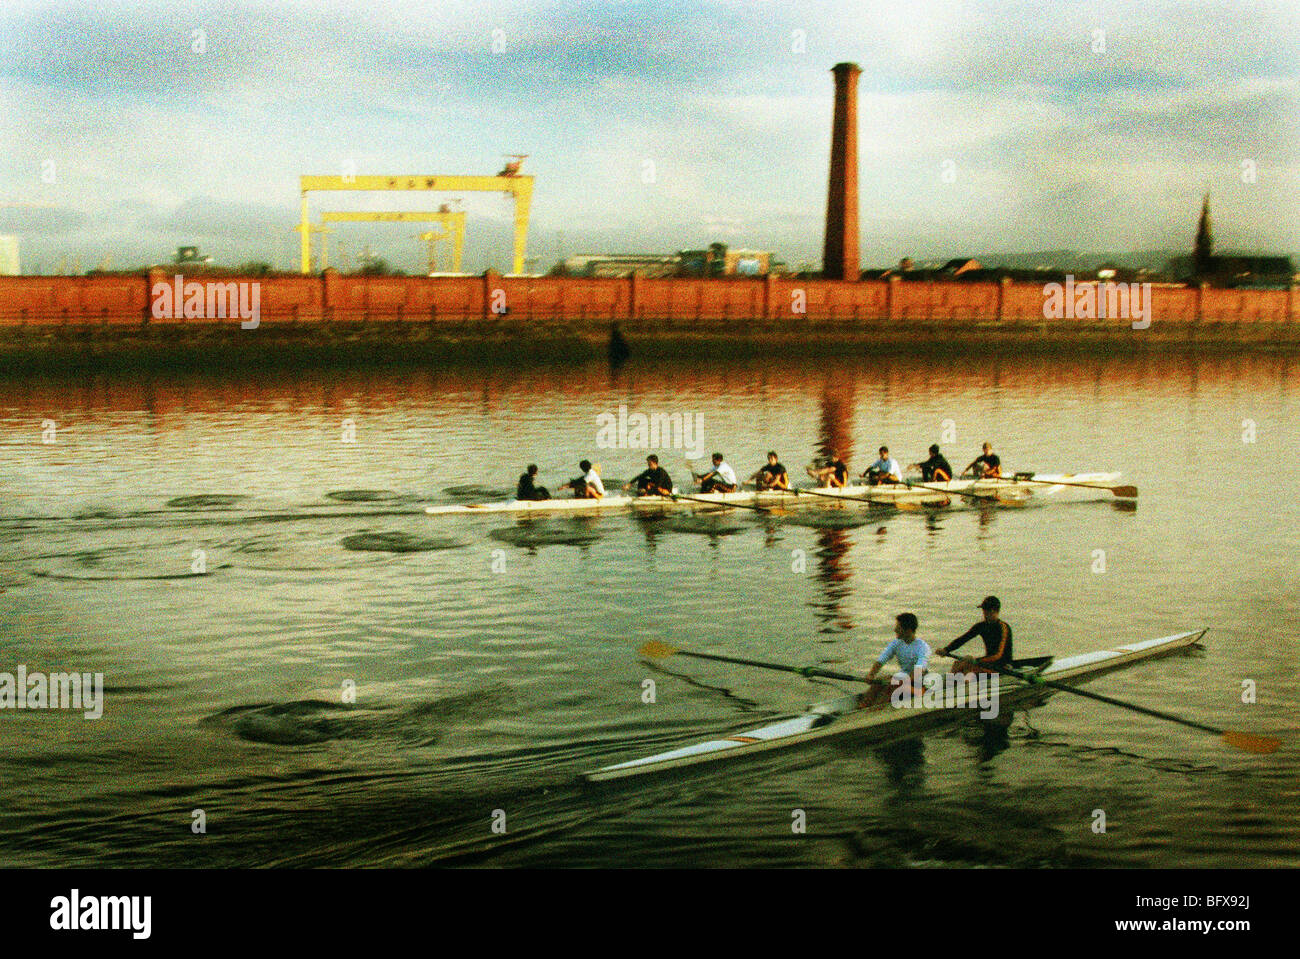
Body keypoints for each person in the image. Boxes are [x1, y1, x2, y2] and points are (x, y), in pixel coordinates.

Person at [859, 612, 930, 707]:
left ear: (908, 630)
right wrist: (871, 674)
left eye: (898, 628)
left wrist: (898, 681)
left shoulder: (923, 647)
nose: (895, 630)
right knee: (879, 682)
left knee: (894, 684)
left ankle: (877, 711)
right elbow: (881, 660)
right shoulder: (896, 643)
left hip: (920, 687)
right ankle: (862, 707)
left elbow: (918, 672)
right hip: (903, 681)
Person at [934, 596, 1013, 673]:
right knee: (957, 664)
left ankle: (958, 684)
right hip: (989, 663)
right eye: (984, 611)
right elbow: (963, 639)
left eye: (986, 611)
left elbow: (998, 655)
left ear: (994, 611)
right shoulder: (981, 626)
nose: (984, 614)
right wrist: (946, 650)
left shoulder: (1003, 628)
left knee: (966, 668)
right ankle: (951, 684)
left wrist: (975, 661)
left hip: (1002, 666)